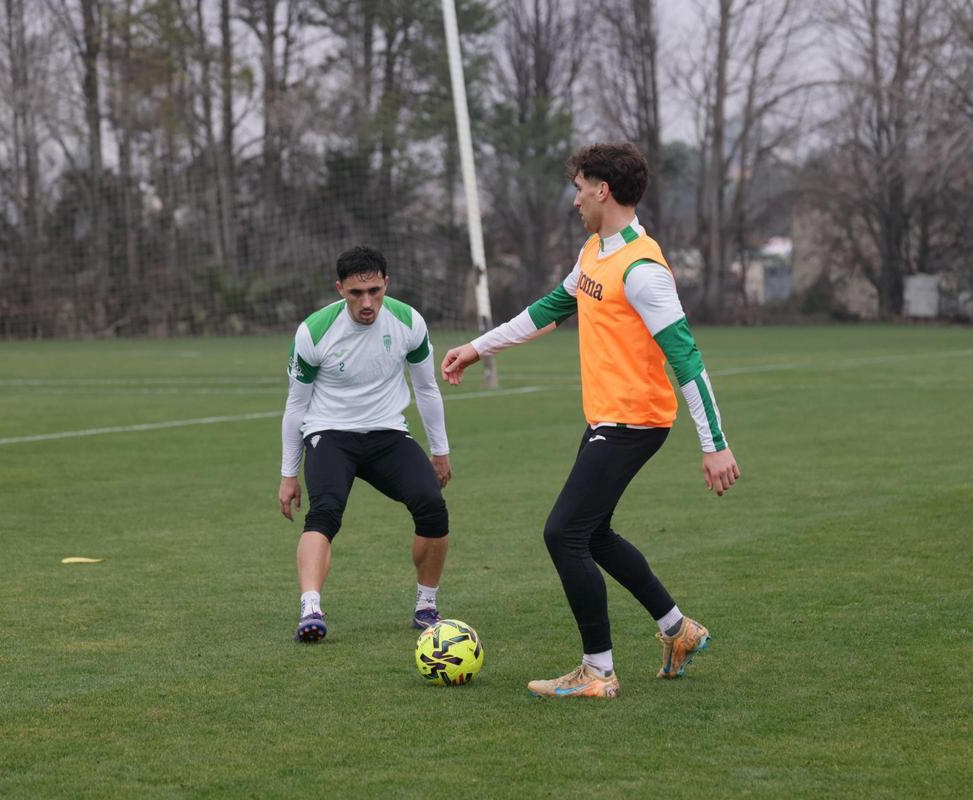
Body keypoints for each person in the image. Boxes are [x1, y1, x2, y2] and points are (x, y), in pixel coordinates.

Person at [440, 143, 740, 698]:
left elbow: (687, 359)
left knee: (563, 533)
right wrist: (478, 348)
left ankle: (597, 672)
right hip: (609, 416)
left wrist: (714, 444)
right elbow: (549, 309)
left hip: (636, 421)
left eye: (579, 186)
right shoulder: (595, 251)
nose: (575, 197)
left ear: (603, 189)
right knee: (591, 533)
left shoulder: (644, 269)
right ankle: (679, 630)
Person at [279, 245, 453, 643]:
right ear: (340, 289)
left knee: (431, 505)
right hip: (329, 433)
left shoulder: (408, 322)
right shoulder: (314, 331)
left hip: (387, 433)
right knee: (325, 512)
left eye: (375, 290)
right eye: (356, 293)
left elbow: (427, 388)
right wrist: (289, 474)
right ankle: (311, 609)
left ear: (386, 284)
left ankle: (426, 606)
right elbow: (295, 406)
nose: (367, 302)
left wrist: (440, 451)